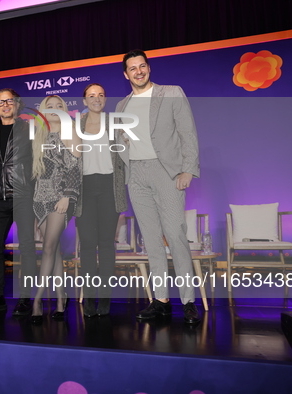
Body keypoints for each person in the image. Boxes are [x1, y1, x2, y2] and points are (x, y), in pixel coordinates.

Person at [116, 50, 201, 324]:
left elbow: (187, 132)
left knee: (175, 235)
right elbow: (121, 141)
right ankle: (161, 300)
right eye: (132, 68)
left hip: (166, 172)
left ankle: (188, 302)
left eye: (142, 66)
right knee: (151, 240)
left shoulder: (171, 92)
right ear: (125, 74)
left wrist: (188, 169)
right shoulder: (121, 106)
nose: (138, 71)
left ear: (149, 69)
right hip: (136, 175)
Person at [0, 89, 37, 315]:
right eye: (0, 102)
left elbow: (40, 161)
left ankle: (25, 300)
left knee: (27, 248)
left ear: (17, 104)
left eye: (8, 101)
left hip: (23, 194)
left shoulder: (29, 129)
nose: (4, 105)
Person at [76, 83, 128, 318]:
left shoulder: (116, 122)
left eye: (100, 95)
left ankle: (104, 298)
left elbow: (128, 152)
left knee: (107, 244)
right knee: (87, 245)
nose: (96, 99)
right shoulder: (76, 124)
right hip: (84, 187)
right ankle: (89, 298)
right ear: (84, 101)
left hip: (110, 186)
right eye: (91, 96)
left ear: (105, 99)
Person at [31, 95, 82, 324]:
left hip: (60, 199)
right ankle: (61, 299)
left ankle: (38, 299)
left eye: (58, 106)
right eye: (49, 107)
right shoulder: (39, 135)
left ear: (65, 110)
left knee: (48, 247)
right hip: (38, 199)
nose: (54, 110)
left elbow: (75, 168)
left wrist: (67, 197)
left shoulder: (70, 132)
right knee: (56, 251)